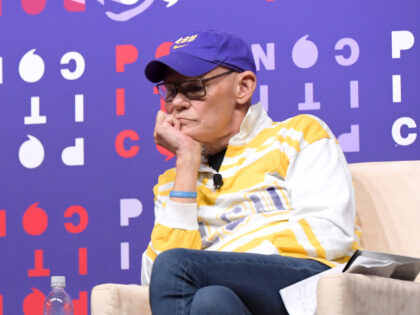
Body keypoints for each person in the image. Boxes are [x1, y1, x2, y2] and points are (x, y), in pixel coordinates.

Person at [141, 30, 360, 315]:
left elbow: (330, 234)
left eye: (194, 87)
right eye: (170, 91)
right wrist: (186, 162)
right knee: (211, 301)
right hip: (229, 299)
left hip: (305, 290)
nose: (177, 103)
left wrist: (220, 265)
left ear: (243, 88)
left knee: (178, 266)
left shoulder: (298, 134)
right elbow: (156, 284)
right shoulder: (173, 182)